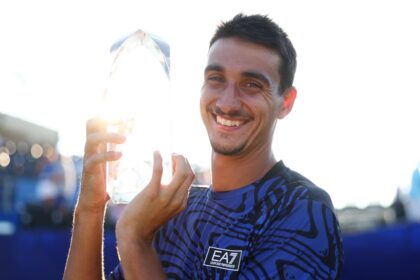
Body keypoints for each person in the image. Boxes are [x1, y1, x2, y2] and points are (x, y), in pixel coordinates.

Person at [63, 13, 343, 279]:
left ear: (286, 102)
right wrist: (91, 207)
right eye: (216, 79)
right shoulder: (176, 210)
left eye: (252, 84)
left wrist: (135, 240)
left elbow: (134, 242)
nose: (227, 103)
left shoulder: (302, 209)